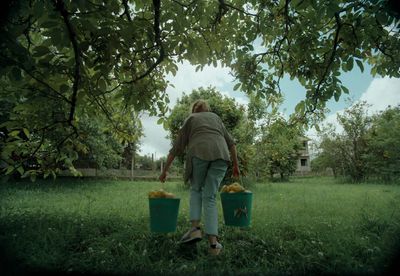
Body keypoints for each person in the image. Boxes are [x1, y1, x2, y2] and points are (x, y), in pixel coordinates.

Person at [159, 99, 240, 255]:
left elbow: (177, 147)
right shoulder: (216, 117)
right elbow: (231, 144)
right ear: (207, 109)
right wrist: (236, 166)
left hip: (199, 152)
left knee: (196, 190)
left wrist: (165, 170)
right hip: (221, 155)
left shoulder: (191, 118)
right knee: (209, 197)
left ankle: (195, 229)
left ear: (194, 110)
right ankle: (214, 246)